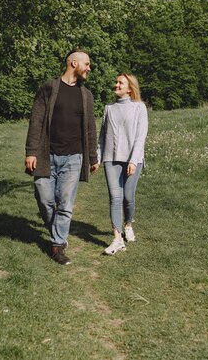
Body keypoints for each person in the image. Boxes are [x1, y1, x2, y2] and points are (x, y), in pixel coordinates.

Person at [25, 49, 99, 265]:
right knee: (45, 199)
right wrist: (31, 151)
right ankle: (56, 231)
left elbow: (90, 128)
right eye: (87, 64)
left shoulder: (86, 95)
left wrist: (92, 157)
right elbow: (36, 120)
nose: (89, 68)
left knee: (65, 204)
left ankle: (58, 245)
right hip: (47, 155)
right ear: (73, 63)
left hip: (74, 158)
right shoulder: (49, 88)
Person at [97, 73, 148, 255]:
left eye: (121, 83)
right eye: (116, 82)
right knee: (115, 197)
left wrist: (133, 160)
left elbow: (140, 136)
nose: (116, 85)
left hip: (132, 159)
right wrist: (98, 157)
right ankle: (117, 239)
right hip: (111, 158)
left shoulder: (139, 108)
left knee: (128, 196)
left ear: (130, 88)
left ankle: (128, 224)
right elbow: (102, 137)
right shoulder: (108, 108)